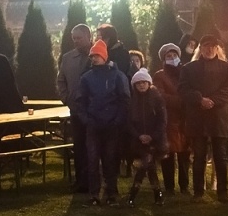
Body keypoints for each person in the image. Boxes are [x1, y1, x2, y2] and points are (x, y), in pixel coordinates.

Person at [180, 32, 228, 202]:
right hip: (198, 118)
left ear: (217, 48)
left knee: (221, 157)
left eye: (212, 46)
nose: (209, 49)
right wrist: (200, 99)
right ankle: (198, 191)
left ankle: (222, 191)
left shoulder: (227, 68)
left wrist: (213, 100)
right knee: (199, 156)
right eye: (205, 46)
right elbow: (183, 89)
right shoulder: (189, 68)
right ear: (200, 48)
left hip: (218, 117)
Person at [74, 40, 130, 205]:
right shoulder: (86, 78)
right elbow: (80, 101)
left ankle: (111, 192)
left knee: (110, 159)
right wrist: (87, 120)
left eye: (97, 55)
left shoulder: (117, 76)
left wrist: (118, 119)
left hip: (112, 125)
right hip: (93, 125)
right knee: (92, 160)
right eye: (92, 55)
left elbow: (124, 100)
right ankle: (94, 194)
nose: (94, 58)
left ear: (104, 56)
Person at [57, 23, 93, 193]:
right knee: (78, 146)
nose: (76, 41)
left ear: (89, 37)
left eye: (79, 38)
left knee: (93, 146)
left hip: (94, 109)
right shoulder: (67, 58)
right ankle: (81, 181)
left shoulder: (97, 56)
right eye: (74, 39)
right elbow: (61, 80)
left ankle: (93, 180)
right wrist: (66, 98)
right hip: (75, 109)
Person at [125, 67, 168, 205]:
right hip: (138, 141)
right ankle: (157, 195)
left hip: (155, 141)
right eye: (138, 83)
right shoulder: (131, 102)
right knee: (149, 166)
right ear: (135, 85)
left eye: (144, 82)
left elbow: (163, 121)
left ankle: (133, 194)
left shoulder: (157, 99)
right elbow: (128, 123)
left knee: (146, 163)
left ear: (149, 83)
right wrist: (139, 136)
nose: (141, 85)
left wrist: (152, 136)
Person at [153, 42, 190, 196]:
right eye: (169, 56)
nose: (172, 58)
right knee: (168, 155)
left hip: (185, 120)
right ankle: (169, 187)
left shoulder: (185, 73)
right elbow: (160, 96)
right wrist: (181, 101)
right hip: (168, 120)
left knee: (184, 155)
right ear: (164, 58)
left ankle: (184, 186)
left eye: (174, 55)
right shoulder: (160, 75)